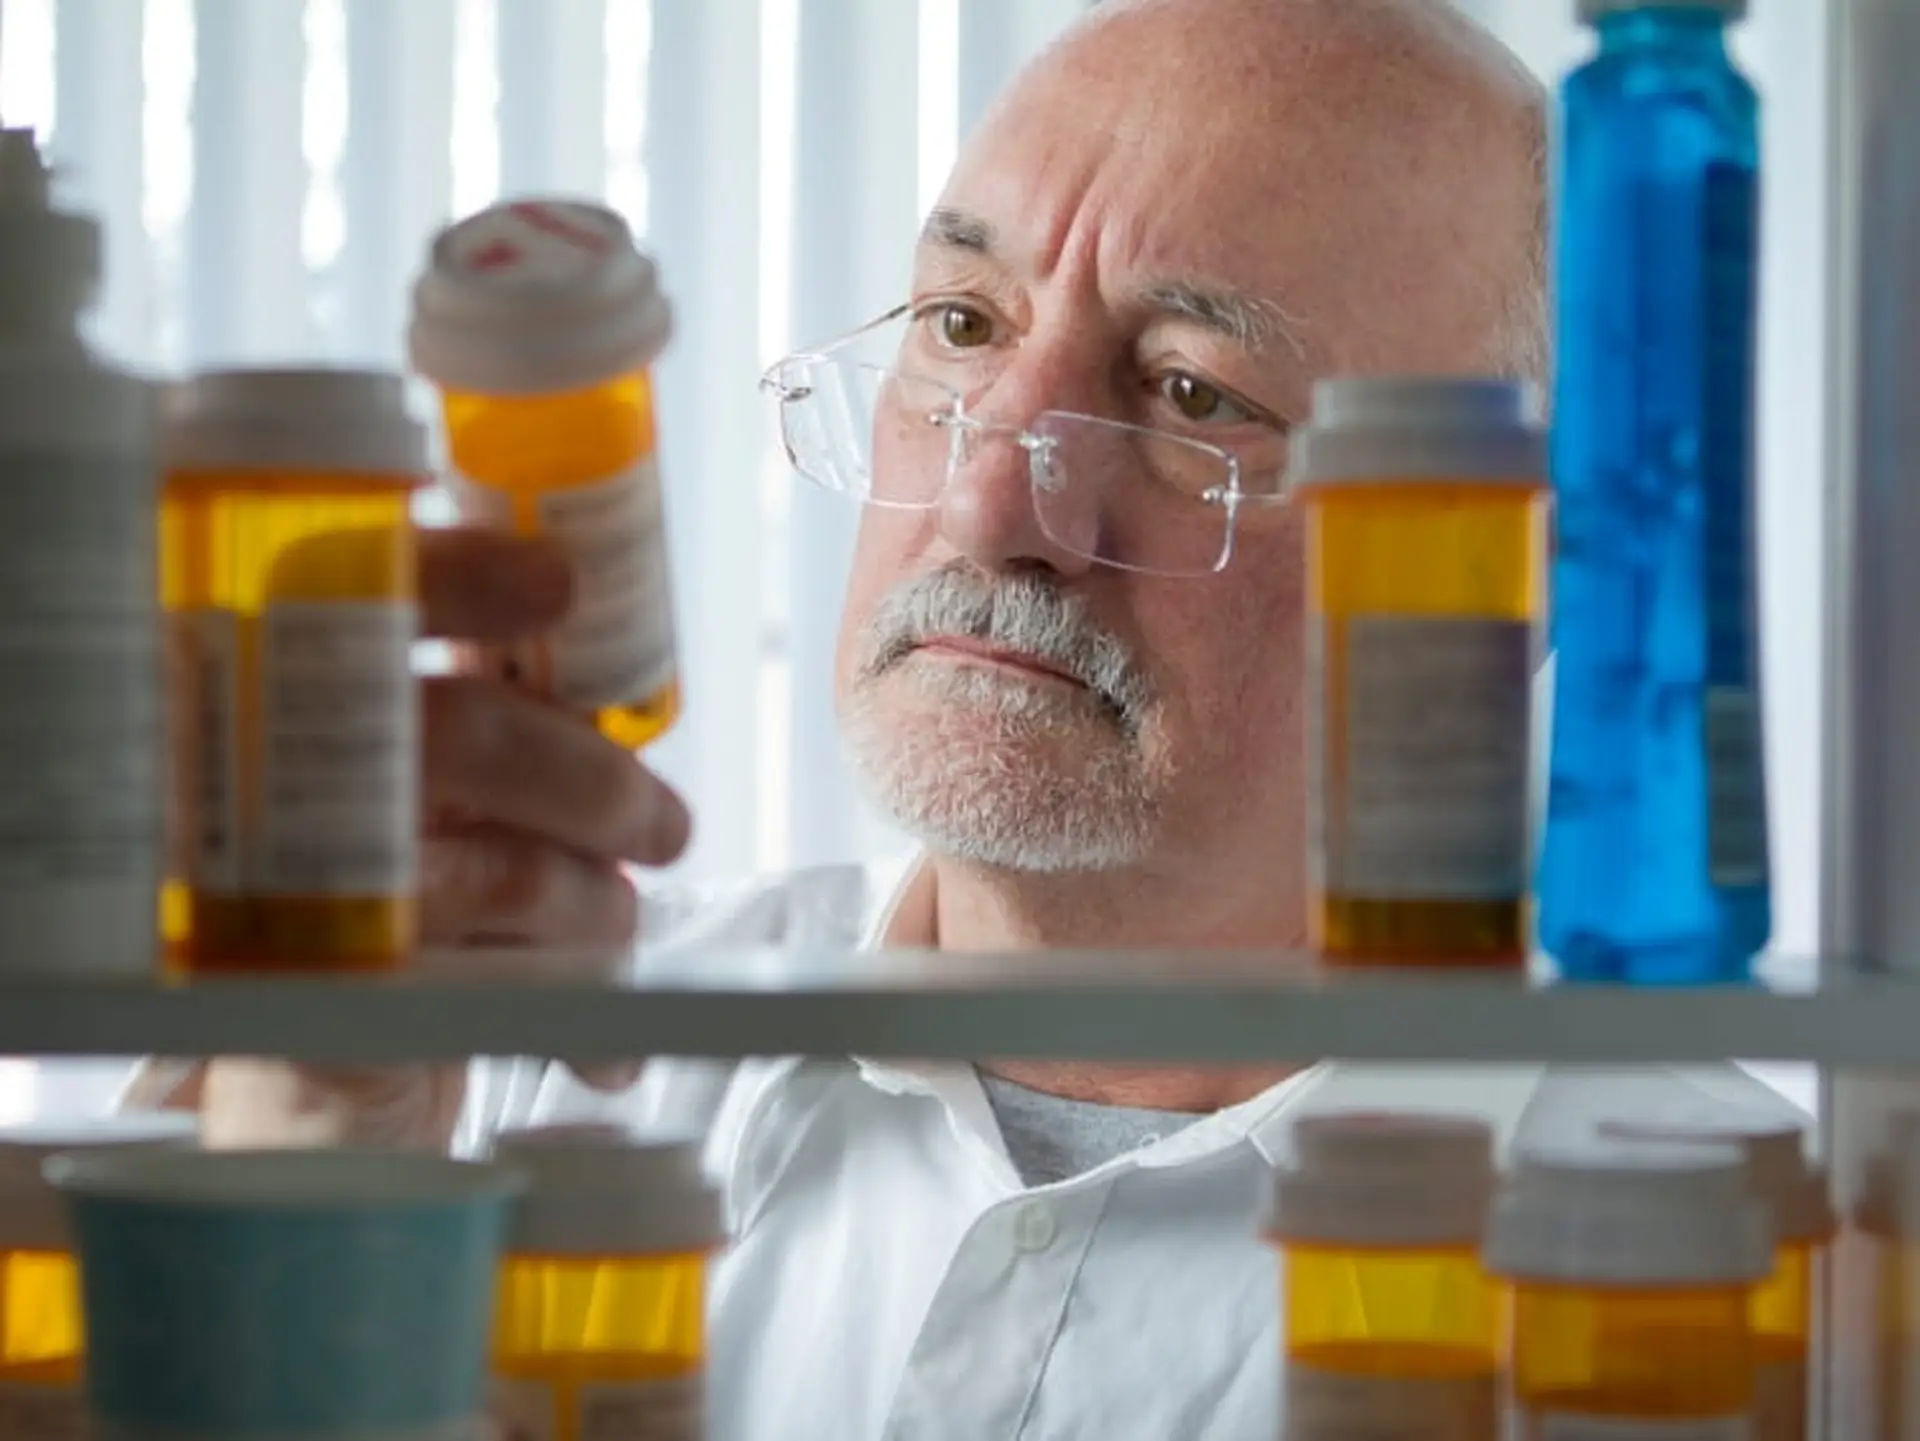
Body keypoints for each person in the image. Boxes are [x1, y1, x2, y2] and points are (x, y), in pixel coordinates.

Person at [134, 0, 1795, 1434]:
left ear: (1540, 572)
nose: (991, 498)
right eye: (962, 325)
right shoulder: (515, 1072)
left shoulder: (1749, 1272)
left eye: (1194, 392)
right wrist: (302, 1168)